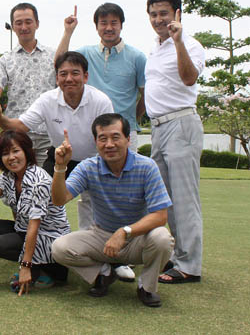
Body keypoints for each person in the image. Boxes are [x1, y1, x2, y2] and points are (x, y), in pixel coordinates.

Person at [50, 113, 174, 307]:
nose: (109, 144)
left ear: (128, 139)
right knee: (59, 248)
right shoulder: (88, 167)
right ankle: (103, 274)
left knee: (162, 238)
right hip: (102, 237)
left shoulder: (147, 167)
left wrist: (125, 232)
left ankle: (146, 287)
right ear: (95, 142)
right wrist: (60, 167)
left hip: (137, 238)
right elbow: (59, 200)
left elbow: (160, 216)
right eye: (103, 138)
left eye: (115, 137)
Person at [0, 51, 113, 231]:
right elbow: (19, 126)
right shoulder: (47, 100)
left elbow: (107, 140)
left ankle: (97, 244)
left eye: (75, 73)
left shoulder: (101, 101)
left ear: (85, 77)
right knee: (38, 193)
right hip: (59, 158)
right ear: (57, 78)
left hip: (94, 160)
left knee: (97, 202)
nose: (69, 78)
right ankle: (41, 240)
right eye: (63, 74)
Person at [145, 0, 205, 285]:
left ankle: (189, 265)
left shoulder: (190, 44)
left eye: (164, 13)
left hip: (181, 124)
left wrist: (179, 40)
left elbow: (189, 78)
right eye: (154, 14)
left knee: (184, 199)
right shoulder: (155, 49)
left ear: (177, 14)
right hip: (158, 128)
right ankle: (174, 256)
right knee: (164, 200)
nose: (158, 20)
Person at [0, 130, 70, 296]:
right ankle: (37, 265)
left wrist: (25, 266)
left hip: (50, 239)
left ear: (26, 151)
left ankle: (44, 272)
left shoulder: (39, 181)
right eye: (5, 153)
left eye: (16, 151)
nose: (11, 157)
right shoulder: (9, 177)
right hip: (30, 232)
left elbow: (34, 227)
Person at [0, 3, 75, 167]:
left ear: (37, 23)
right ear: (13, 26)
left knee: (48, 185)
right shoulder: (6, 59)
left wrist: (68, 32)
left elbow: (62, 63)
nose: (24, 27)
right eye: (19, 23)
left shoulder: (51, 55)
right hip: (17, 135)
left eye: (28, 21)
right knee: (17, 186)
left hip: (48, 134)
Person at [54, 2, 147, 148]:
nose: (109, 28)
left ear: (121, 25)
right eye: (103, 23)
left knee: (127, 171)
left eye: (114, 23)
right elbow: (59, 64)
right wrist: (68, 32)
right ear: (96, 26)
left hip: (124, 133)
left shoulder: (137, 57)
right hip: (90, 131)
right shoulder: (85, 53)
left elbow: (146, 95)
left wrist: (131, 117)